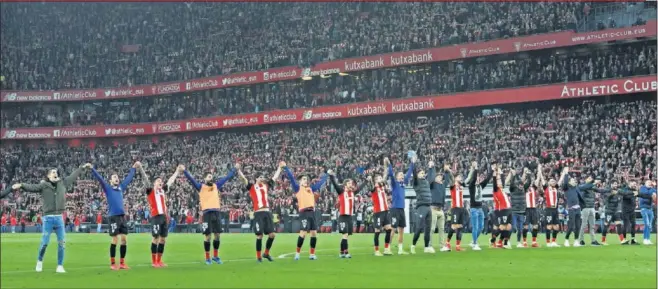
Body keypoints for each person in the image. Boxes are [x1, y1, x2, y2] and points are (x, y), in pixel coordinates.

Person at [12, 163, 91, 273]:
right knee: (44, 243)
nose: (55, 173)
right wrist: (21, 185)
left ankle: (60, 265)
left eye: (56, 172)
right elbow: (32, 187)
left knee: (62, 243)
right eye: (52, 172)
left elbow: (73, 176)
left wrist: (82, 167)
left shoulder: (62, 183)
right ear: (48, 176)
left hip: (59, 218)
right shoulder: (43, 185)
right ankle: (39, 261)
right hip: (48, 218)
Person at [183, 164, 237, 265]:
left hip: (216, 212)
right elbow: (191, 179)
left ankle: (215, 256)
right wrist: (185, 171)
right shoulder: (200, 187)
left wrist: (234, 169)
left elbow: (227, 178)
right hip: (206, 213)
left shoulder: (216, 185)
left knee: (217, 235)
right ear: (204, 178)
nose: (211, 178)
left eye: (211, 177)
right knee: (208, 236)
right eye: (209, 176)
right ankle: (207, 258)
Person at [90, 162, 137, 270]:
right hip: (113, 217)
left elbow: (128, 179)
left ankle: (122, 263)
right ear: (110, 180)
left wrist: (133, 168)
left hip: (122, 216)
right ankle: (112, 263)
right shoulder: (108, 188)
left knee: (124, 239)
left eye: (117, 177)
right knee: (115, 239)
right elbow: (100, 179)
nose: (117, 178)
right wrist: (93, 169)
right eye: (114, 177)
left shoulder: (121, 187)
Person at [237, 162, 282, 262]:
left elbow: (274, 178)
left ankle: (266, 253)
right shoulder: (252, 187)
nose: (262, 178)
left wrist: (279, 168)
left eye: (262, 176)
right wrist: (239, 170)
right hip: (258, 213)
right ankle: (258, 257)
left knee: (272, 235)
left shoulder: (266, 185)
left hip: (267, 212)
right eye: (260, 176)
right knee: (259, 235)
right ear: (256, 178)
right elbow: (244, 179)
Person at [282, 162, 327, 261]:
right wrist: (285, 167)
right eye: (304, 179)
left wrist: (327, 175)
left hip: (312, 213)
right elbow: (291, 178)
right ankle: (297, 253)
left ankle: (312, 254)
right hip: (304, 213)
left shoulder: (311, 189)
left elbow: (320, 184)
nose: (306, 181)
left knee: (314, 233)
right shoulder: (297, 188)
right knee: (303, 233)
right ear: (300, 181)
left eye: (306, 179)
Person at [140, 163, 182, 267]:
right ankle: (154, 261)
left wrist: (177, 171)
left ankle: (159, 260)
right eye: (158, 181)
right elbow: (145, 180)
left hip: (164, 217)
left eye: (161, 181)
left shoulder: (162, 191)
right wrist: (140, 168)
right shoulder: (150, 191)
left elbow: (171, 181)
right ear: (154, 183)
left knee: (163, 239)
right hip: (156, 217)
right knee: (155, 238)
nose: (160, 182)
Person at [328, 168, 367, 258]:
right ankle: (346, 252)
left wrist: (366, 181)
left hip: (349, 216)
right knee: (345, 235)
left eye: (351, 183)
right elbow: (335, 184)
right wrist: (331, 175)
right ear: (345, 185)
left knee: (346, 236)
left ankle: (342, 252)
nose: (351, 185)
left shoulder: (352, 193)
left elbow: (360, 188)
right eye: (349, 183)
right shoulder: (341, 192)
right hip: (343, 216)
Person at [384, 157, 412, 255]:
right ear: (397, 177)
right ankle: (387, 248)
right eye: (400, 175)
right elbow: (391, 174)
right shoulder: (395, 184)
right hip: (395, 209)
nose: (402, 176)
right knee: (393, 229)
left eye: (402, 175)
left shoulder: (403, 184)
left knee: (401, 230)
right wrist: (389, 164)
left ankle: (400, 249)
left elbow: (409, 174)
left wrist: (412, 163)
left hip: (401, 210)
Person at [465, 160, 492, 251]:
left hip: (480, 209)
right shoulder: (471, 186)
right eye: (477, 178)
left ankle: (473, 240)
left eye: (479, 178)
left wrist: (491, 169)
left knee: (481, 227)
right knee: (475, 226)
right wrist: (475, 169)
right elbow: (472, 179)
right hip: (474, 209)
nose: (478, 179)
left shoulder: (480, 186)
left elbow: (488, 179)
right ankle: (475, 244)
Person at [410, 157, 434, 254]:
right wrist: (413, 163)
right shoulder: (416, 182)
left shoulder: (426, 182)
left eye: (424, 173)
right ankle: (413, 245)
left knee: (428, 228)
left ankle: (426, 247)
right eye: (421, 173)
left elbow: (432, 177)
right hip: (421, 207)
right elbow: (414, 174)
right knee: (419, 227)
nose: (423, 174)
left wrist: (431, 167)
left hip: (428, 207)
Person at [366, 172, 393, 256]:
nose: (381, 179)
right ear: (375, 180)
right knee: (377, 231)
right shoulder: (374, 187)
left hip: (385, 211)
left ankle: (386, 249)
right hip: (378, 212)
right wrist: (370, 180)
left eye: (381, 178)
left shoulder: (382, 186)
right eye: (379, 178)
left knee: (389, 229)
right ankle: (376, 250)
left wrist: (386, 168)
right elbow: (371, 187)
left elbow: (385, 178)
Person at [538, 163, 561, 247]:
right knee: (549, 226)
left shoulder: (556, 188)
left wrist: (564, 173)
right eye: (551, 181)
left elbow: (560, 181)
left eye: (554, 181)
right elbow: (541, 178)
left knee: (556, 226)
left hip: (555, 209)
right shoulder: (546, 188)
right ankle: (548, 242)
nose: (553, 181)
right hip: (549, 209)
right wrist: (539, 170)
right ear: (548, 183)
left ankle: (554, 242)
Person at [444, 162, 466, 251]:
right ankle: (447, 243)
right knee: (454, 226)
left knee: (460, 226)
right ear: (456, 178)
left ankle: (457, 246)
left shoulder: (461, 186)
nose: (461, 178)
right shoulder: (453, 185)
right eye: (459, 177)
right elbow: (452, 179)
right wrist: (449, 171)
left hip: (461, 208)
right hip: (455, 208)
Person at [577, 176, 603, 246]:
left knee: (592, 225)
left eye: (591, 178)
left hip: (592, 207)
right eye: (588, 178)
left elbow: (600, 190)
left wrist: (608, 190)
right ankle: (581, 240)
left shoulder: (592, 187)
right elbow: (583, 187)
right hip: (585, 207)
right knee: (584, 224)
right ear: (585, 180)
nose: (590, 179)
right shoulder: (583, 186)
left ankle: (593, 240)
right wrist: (594, 183)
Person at [492, 165, 512, 249]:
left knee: (509, 227)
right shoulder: (495, 189)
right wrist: (495, 173)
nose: (500, 182)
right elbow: (494, 181)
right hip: (502, 210)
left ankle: (504, 243)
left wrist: (501, 172)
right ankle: (492, 240)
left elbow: (503, 179)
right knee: (502, 227)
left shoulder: (502, 189)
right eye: (498, 181)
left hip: (508, 209)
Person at [509, 168, 530, 248]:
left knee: (520, 229)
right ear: (517, 185)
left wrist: (528, 174)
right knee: (513, 227)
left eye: (522, 185)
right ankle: (508, 241)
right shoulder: (513, 189)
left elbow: (529, 182)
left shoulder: (524, 189)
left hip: (521, 211)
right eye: (520, 185)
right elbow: (511, 184)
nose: (522, 186)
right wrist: (513, 176)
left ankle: (518, 242)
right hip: (514, 211)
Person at [600, 180, 624, 245]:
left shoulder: (618, 191)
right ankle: (603, 241)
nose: (615, 185)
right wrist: (611, 194)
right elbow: (606, 199)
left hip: (616, 211)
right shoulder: (607, 190)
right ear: (611, 185)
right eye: (614, 184)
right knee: (606, 226)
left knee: (619, 225)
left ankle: (622, 240)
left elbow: (620, 199)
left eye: (616, 184)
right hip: (609, 211)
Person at [620, 180, 640, 245]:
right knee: (625, 225)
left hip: (632, 210)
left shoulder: (634, 190)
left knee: (633, 224)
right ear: (629, 183)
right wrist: (633, 193)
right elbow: (626, 196)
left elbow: (639, 195)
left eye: (635, 184)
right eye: (633, 184)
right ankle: (624, 240)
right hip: (625, 210)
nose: (635, 185)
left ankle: (633, 240)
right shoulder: (625, 189)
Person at [638, 180, 656, 245]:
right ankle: (645, 239)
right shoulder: (642, 188)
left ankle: (648, 239)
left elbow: (654, 197)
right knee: (647, 224)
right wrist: (651, 194)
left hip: (650, 209)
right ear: (645, 183)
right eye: (648, 182)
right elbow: (645, 194)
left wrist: (653, 194)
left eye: (650, 183)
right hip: (644, 208)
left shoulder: (653, 189)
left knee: (649, 225)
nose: (649, 183)